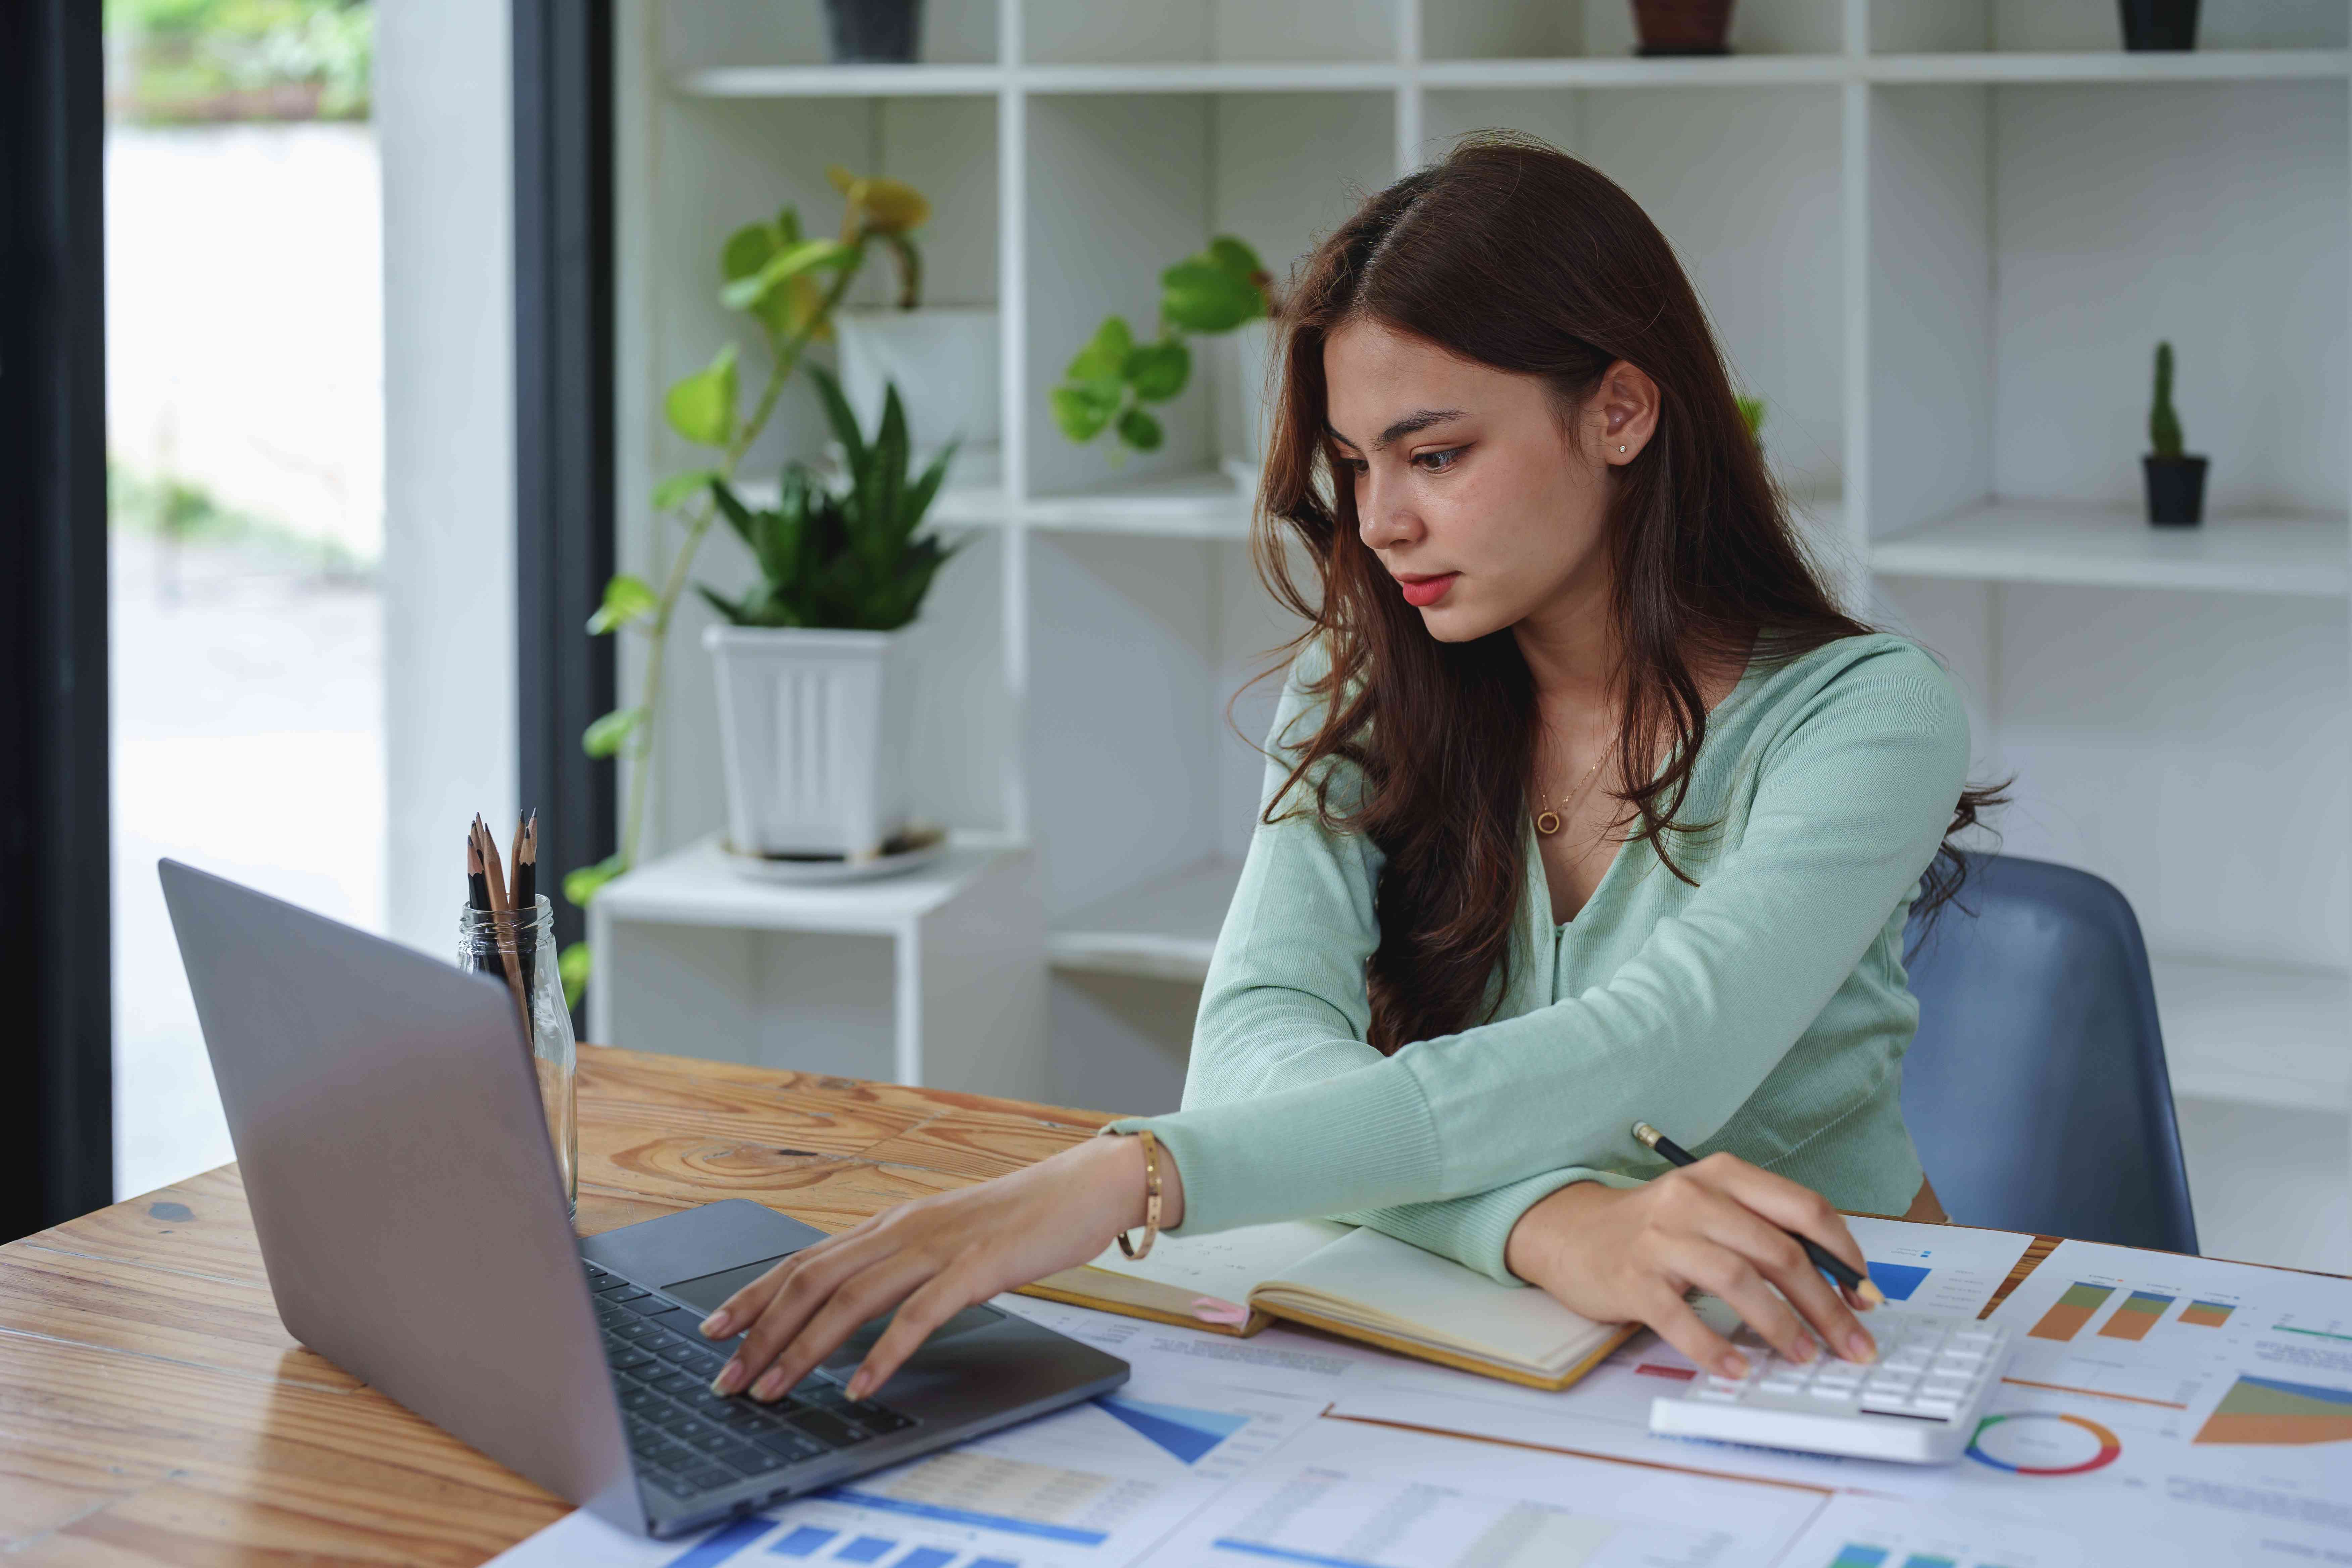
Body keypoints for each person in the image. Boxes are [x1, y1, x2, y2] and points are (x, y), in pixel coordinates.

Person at [691, 132, 2003, 1409]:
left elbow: (1648, 1060)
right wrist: (1558, 1231)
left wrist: (1126, 1176)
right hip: (1499, 1341)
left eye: (1435, 456)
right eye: (1357, 464)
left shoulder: (1869, 714)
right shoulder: (1365, 685)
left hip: (1828, 1339)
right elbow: (1253, 1049)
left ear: (1619, 409)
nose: (1380, 522)